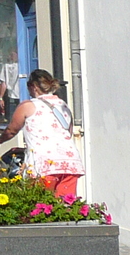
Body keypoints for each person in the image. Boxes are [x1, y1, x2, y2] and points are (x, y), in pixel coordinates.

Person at [7, 69, 84, 198]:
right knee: (65, 206)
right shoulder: (62, 105)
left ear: (34, 87)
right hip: (70, 162)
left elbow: (11, 130)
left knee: (40, 206)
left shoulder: (28, 106)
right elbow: (67, 133)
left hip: (43, 163)